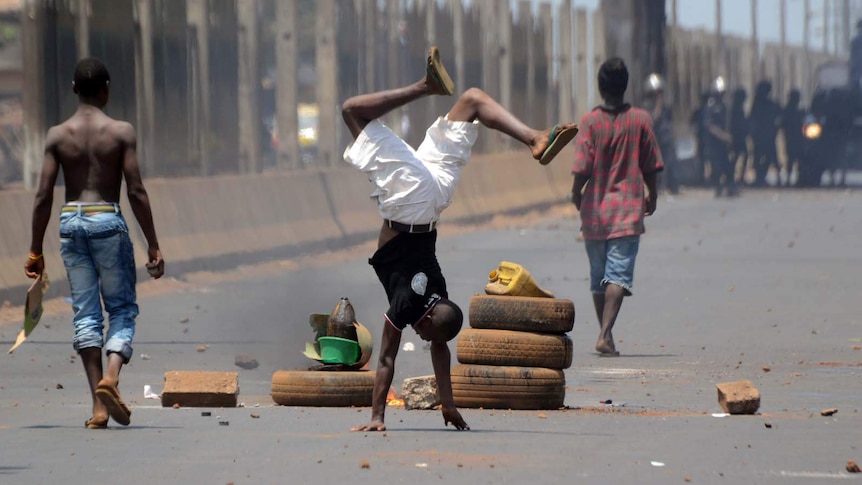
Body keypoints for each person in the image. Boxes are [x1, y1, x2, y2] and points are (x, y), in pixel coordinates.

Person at [344, 47, 577, 431]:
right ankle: (425, 86)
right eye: (426, 331)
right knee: (351, 111)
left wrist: (448, 404)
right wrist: (376, 418)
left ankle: (534, 138)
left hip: (434, 199)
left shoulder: (439, 290)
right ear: (430, 316)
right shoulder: (407, 307)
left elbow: (441, 348)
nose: (422, 337)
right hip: (409, 203)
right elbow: (386, 358)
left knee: (471, 100)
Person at [24, 58, 164, 429]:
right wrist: (153, 243)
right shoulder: (120, 132)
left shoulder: (57, 135)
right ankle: (112, 378)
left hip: (71, 220)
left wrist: (35, 250)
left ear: (74, 89)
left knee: (85, 314)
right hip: (107, 218)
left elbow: (42, 197)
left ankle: (98, 408)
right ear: (106, 89)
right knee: (121, 307)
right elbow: (135, 189)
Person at [570, 58, 663, 357]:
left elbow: (582, 166)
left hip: (595, 210)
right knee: (618, 275)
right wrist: (654, 195)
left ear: (600, 87)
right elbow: (651, 164)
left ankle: (604, 334)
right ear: (625, 86)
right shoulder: (640, 120)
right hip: (627, 210)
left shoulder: (590, 122)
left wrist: (575, 193)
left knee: (599, 276)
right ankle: (605, 333)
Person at [642, 73, 679, 195]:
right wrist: (658, 105)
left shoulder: (666, 106)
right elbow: (652, 120)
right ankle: (658, 187)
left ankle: (672, 186)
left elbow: (669, 120)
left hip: (666, 138)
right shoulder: (648, 105)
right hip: (655, 138)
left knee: (670, 162)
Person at [704, 77, 737, 197]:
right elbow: (710, 126)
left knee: (728, 165)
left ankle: (730, 187)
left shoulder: (725, 106)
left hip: (725, 143)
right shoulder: (710, 107)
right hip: (714, 142)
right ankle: (718, 188)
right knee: (716, 166)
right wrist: (722, 135)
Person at [748, 81, 781, 187]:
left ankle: (762, 177)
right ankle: (760, 177)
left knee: (766, 157)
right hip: (763, 135)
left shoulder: (762, 104)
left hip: (765, 135)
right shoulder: (760, 104)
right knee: (764, 157)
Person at [780, 89, 805, 187]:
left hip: (794, 138)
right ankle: (790, 178)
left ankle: (793, 178)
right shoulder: (789, 111)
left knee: (794, 159)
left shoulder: (793, 111)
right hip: (792, 138)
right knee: (792, 159)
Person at [729, 88, 750, 186]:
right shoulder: (736, 108)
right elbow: (736, 123)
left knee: (743, 155)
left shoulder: (738, 107)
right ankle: (733, 176)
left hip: (740, 136)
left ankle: (739, 176)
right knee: (737, 156)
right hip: (737, 136)